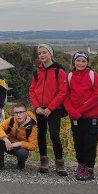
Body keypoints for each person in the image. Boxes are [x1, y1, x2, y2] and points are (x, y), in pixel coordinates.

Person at [28, 43, 69, 176]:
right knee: (41, 135)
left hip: (54, 109)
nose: (42, 55)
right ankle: (43, 161)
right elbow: (32, 91)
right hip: (40, 109)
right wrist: (37, 107)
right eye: (39, 53)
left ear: (50, 53)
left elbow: (63, 92)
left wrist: (50, 108)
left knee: (54, 135)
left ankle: (59, 163)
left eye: (44, 52)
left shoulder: (59, 71)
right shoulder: (36, 73)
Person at [63, 52, 98, 181]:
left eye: (83, 61)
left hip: (91, 116)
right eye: (78, 60)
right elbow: (66, 96)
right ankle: (81, 165)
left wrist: (79, 111)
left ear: (87, 63)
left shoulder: (93, 75)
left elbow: (97, 95)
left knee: (90, 142)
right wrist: (71, 111)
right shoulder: (70, 76)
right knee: (78, 142)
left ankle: (90, 168)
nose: (80, 63)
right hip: (75, 117)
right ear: (74, 62)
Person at [0, 103, 37, 172]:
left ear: (25, 113)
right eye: (16, 113)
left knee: (22, 153)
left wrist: (19, 143)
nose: (18, 115)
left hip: (20, 148)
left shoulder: (32, 126)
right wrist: (5, 139)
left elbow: (33, 146)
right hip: (9, 145)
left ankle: (21, 161)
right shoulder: (12, 120)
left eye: (21, 112)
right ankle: (0, 163)